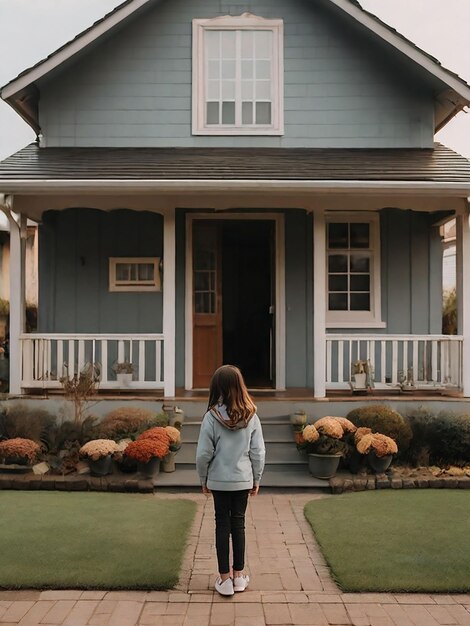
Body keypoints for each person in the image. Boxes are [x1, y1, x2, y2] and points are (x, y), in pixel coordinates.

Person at [196, 365, 266, 597]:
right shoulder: (252, 415)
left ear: (217, 387)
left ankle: (224, 580)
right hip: (242, 479)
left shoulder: (211, 417)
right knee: (239, 525)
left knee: (221, 525)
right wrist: (256, 478)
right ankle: (238, 577)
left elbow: (204, 453)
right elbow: (258, 452)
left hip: (218, 480)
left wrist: (203, 477)